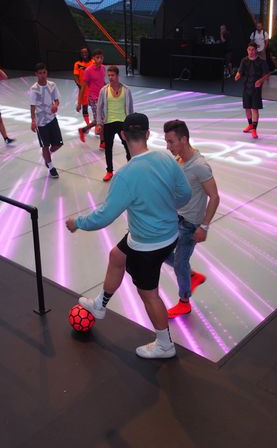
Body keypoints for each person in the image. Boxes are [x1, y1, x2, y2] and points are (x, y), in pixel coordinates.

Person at [66, 113, 192, 359]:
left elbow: (103, 217)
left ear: (123, 136)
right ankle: (100, 305)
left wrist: (76, 222)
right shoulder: (166, 158)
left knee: (149, 294)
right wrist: (165, 206)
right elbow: (185, 195)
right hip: (168, 235)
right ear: (147, 134)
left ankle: (165, 345)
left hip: (147, 245)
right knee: (116, 255)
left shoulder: (125, 175)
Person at [162, 119, 220, 318]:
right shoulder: (180, 160)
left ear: (184, 139)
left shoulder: (200, 166)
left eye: (171, 142)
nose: (167, 146)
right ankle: (192, 275)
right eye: (167, 142)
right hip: (175, 219)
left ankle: (184, 301)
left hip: (190, 224)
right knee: (163, 253)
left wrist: (204, 226)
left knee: (179, 263)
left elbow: (214, 197)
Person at [96, 65, 133, 182]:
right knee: (108, 148)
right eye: (109, 75)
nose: (110, 77)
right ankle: (109, 171)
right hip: (108, 122)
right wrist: (99, 123)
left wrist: (131, 123)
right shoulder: (104, 90)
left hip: (123, 122)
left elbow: (130, 108)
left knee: (128, 146)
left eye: (113, 75)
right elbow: (99, 108)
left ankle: (131, 168)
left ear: (117, 76)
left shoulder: (126, 90)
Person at [29, 62, 63, 179]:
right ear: (36, 74)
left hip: (52, 118)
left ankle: (47, 154)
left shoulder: (52, 85)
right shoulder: (34, 89)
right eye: (40, 73)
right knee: (45, 146)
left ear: (46, 72)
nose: (42, 75)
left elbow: (57, 100)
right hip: (41, 122)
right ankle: (50, 166)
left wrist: (55, 105)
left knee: (58, 144)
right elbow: (32, 106)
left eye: (44, 72)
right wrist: (33, 121)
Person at [234, 42, 270, 139]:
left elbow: (267, 74)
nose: (251, 52)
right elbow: (240, 71)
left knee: (255, 108)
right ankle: (250, 124)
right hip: (246, 87)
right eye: (249, 50)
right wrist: (238, 75)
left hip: (256, 88)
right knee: (247, 108)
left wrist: (260, 80)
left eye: (252, 50)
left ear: (256, 50)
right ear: (247, 50)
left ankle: (254, 128)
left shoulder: (261, 61)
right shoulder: (244, 60)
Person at [77, 49, 107, 150]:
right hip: (93, 98)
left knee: (98, 119)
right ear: (93, 58)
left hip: (102, 96)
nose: (100, 59)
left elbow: (102, 82)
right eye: (97, 57)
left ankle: (83, 130)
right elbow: (83, 87)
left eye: (101, 57)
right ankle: (103, 142)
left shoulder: (103, 68)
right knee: (101, 119)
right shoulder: (88, 71)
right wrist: (79, 103)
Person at [73, 47, 93, 127]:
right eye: (82, 53)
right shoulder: (77, 64)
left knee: (96, 108)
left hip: (92, 89)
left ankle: (97, 127)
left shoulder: (93, 62)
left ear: (88, 53)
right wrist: (80, 85)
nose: (84, 54)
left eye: (86, 52)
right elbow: (75, 76)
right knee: (84, 108)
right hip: (83, 90)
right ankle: (88, 125)